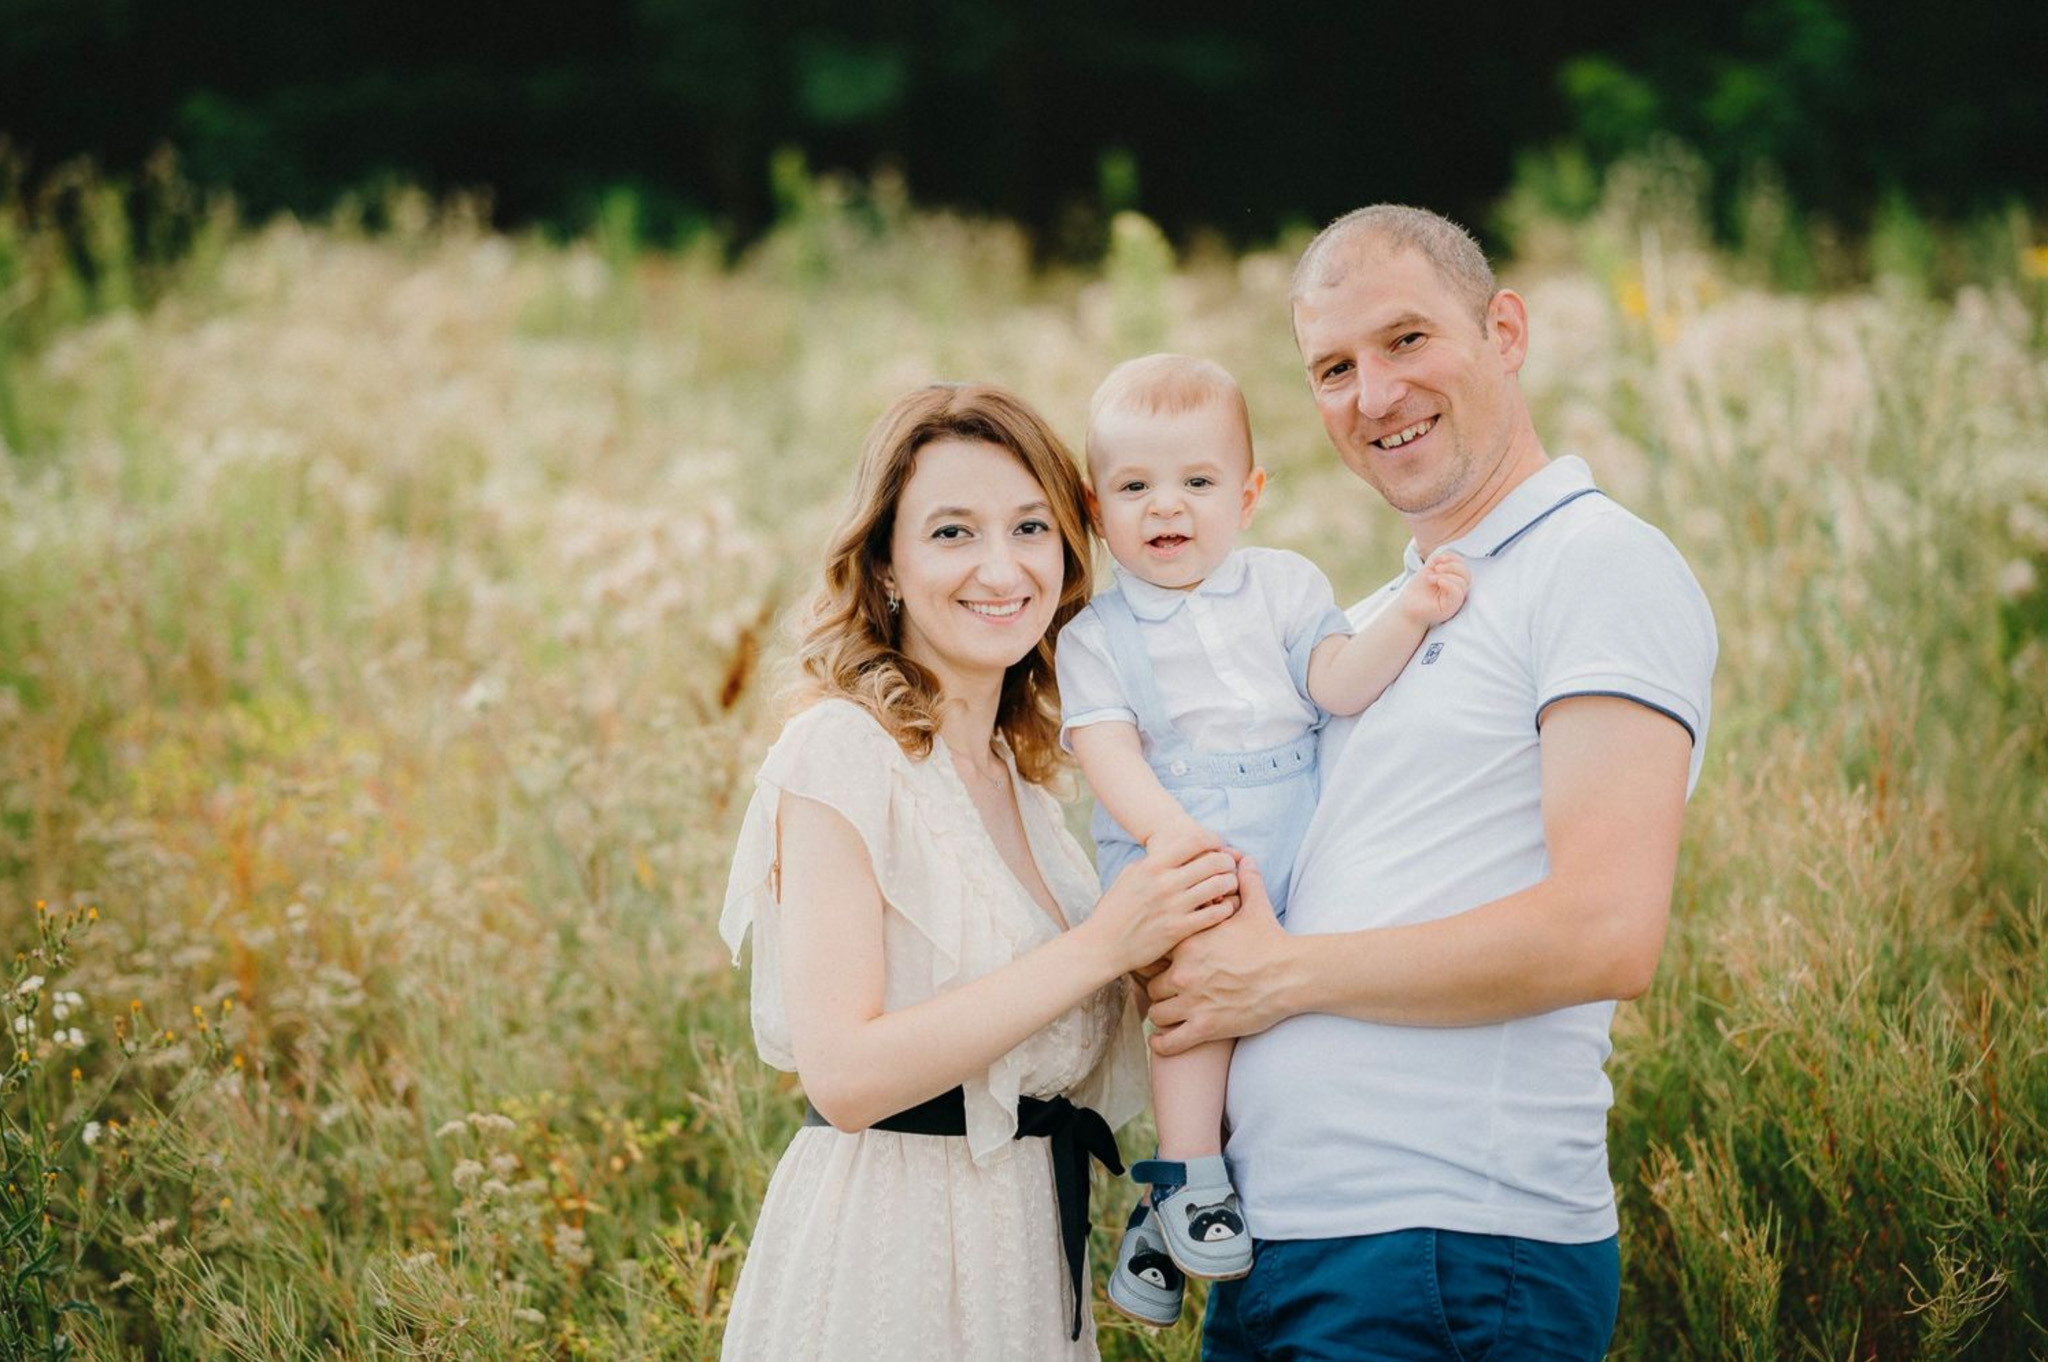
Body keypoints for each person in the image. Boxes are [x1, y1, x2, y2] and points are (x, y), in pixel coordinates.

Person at [1142, 206, 1718, 1360]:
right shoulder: (1363, 634)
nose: (1373, 395)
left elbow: (1604, 931)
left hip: (1452, 1252)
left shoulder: (1595, 564)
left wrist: (1279, 981)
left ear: (1502, 329)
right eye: (1334, 368)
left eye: (1408, 341)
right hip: (1281, 1254)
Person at [717, 382, 1243, 1361]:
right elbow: (843, 1077)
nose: (1000, 569)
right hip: (892, 1255)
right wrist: (1100, 947)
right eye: (952, 533)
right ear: (884, 568)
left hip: (1022, 1259)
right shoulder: (839, 752)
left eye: (1029, 528)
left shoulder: (1031, 793)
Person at [1052, 353, 1470, 1327]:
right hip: (1172, 837)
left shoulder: (1282, 586)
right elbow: (1108, 758)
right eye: (1134, 486)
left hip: (1296, 828)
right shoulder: (1093, 634)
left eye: (1197, 482)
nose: (1167, 507)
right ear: (1093, 503)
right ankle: (1194, 1176)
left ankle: (1164, 1217)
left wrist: (1406, 616)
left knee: (1280, 1030)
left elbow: (1333, 685)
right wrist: (1180, 846)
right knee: (1198, 994)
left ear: (1248, 493)